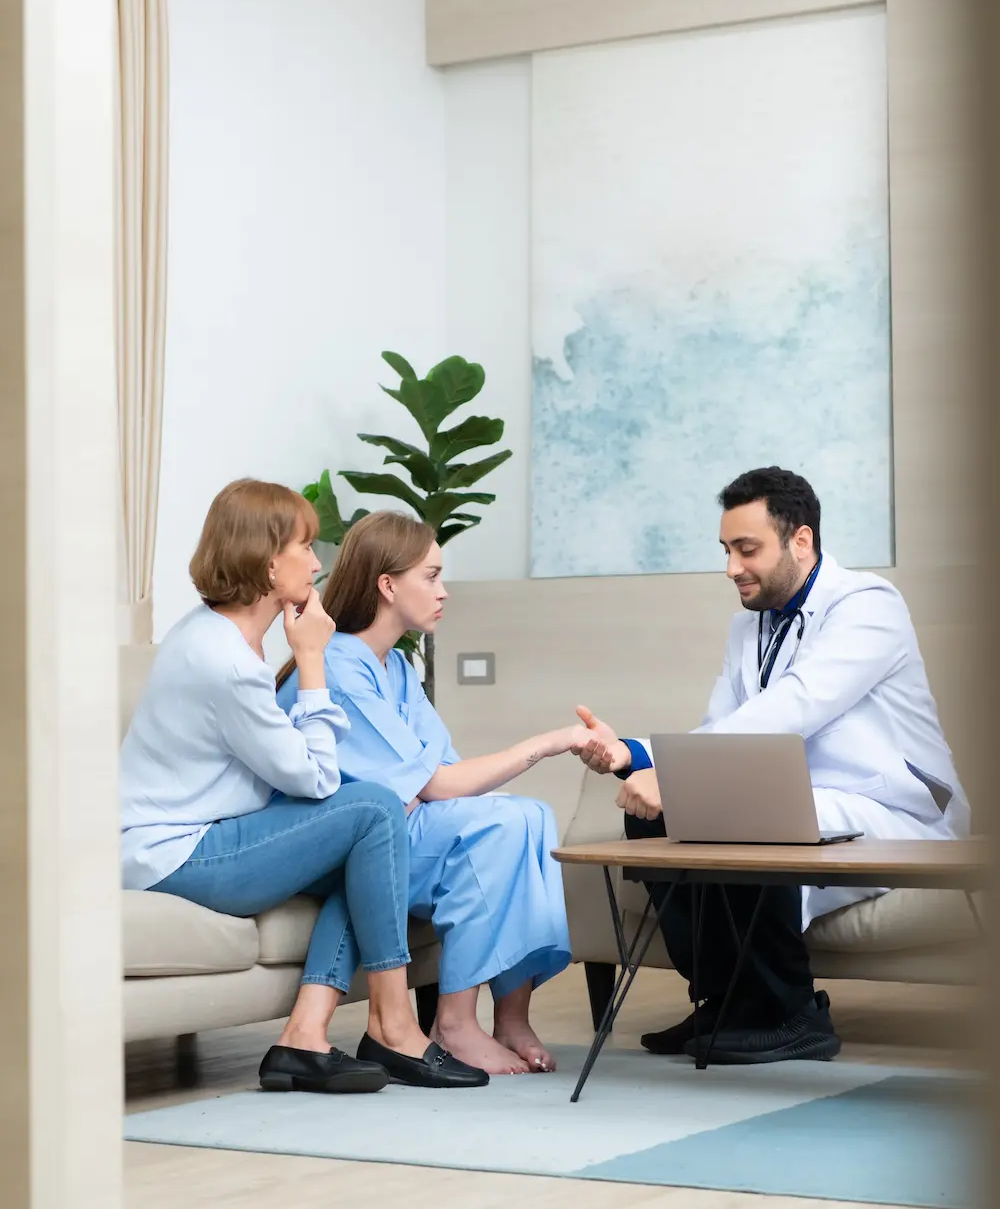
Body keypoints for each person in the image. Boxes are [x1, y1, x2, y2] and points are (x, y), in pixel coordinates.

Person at [575, 466, 970, 1065]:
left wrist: (676, 777)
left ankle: (793, 1016)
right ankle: (725, 1000)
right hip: (805, 799)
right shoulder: (748, 628)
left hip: (896, 811)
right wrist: (634, 755)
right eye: (727, 550)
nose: (732, 567)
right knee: (652, 821)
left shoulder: (868, 606)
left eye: (747, 549)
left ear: (801, 541)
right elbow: (718, 730)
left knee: (746, 813)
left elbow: (796, 706)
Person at [120, 479, 486, 1093]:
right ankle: (394, 1024)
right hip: (175, 854)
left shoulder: (211, 632)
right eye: (306, 547)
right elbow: (317, 779)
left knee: (370, 842)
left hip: (192, 840)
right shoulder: (228, 664)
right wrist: (312, 659)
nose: (318, 564)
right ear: (269, 561)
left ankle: (304, 1037)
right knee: (372, 808)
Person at [277, 511, 583, 1075]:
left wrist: (424, 790)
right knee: (501, 825)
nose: (444, 593)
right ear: (388, 585)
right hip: (341, 848)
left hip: (399, 827)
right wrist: (551, 742)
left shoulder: (394, 667)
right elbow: (439, 784)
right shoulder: (340, 668)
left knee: (533, 814)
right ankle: (454, 1023)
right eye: (432, 577)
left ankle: (512, 1017)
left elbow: (440, 776)